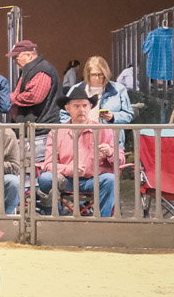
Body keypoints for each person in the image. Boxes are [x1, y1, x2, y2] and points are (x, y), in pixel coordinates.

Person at [37, 84, 121, 217]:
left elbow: (120, 160)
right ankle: (56, 219)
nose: (81, 110)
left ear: (90, 107)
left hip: (93, 179)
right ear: (67, 108)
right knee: (46, 178)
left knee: (110, 179)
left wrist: (110, 152)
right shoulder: (56, 132)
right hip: (66, 180)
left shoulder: (103, 130)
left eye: (85, 106)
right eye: (76, 106)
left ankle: (102, 221)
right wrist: (68, 169)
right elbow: (47, 165)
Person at [8, 40, 61, 125]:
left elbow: (34, 96)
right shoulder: (32, 70)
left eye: (16, 57)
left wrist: (12, 98)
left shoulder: (42, 70)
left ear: (29, 55)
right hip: (34, 128)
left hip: (40, 129)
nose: (15, 61)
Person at [80, 55, 131, 124]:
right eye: (93, 75)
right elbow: (65, 113)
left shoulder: (119, 89)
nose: (97, 78)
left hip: (111, 133)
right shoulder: (77, 89)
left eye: (100, 74)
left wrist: (113, 117)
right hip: (83, 133)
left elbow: (128, 115)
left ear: (106, 74)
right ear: (87, 74)